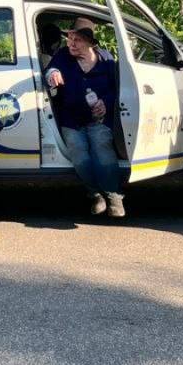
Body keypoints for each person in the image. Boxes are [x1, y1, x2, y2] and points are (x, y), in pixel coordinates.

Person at [45, 23, 125, 218]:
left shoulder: (106, 59)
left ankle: (113, 196)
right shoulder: (63, 56)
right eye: (69, 38)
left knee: (103, 153)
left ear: (90, 42)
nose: (71, 43)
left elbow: (117, 90)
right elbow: (50, 70)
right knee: (80, 157)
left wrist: (106, 103)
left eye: (77, 39)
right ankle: (95, 193)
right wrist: (52, 74)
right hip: (71, 120)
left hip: (99, 119)